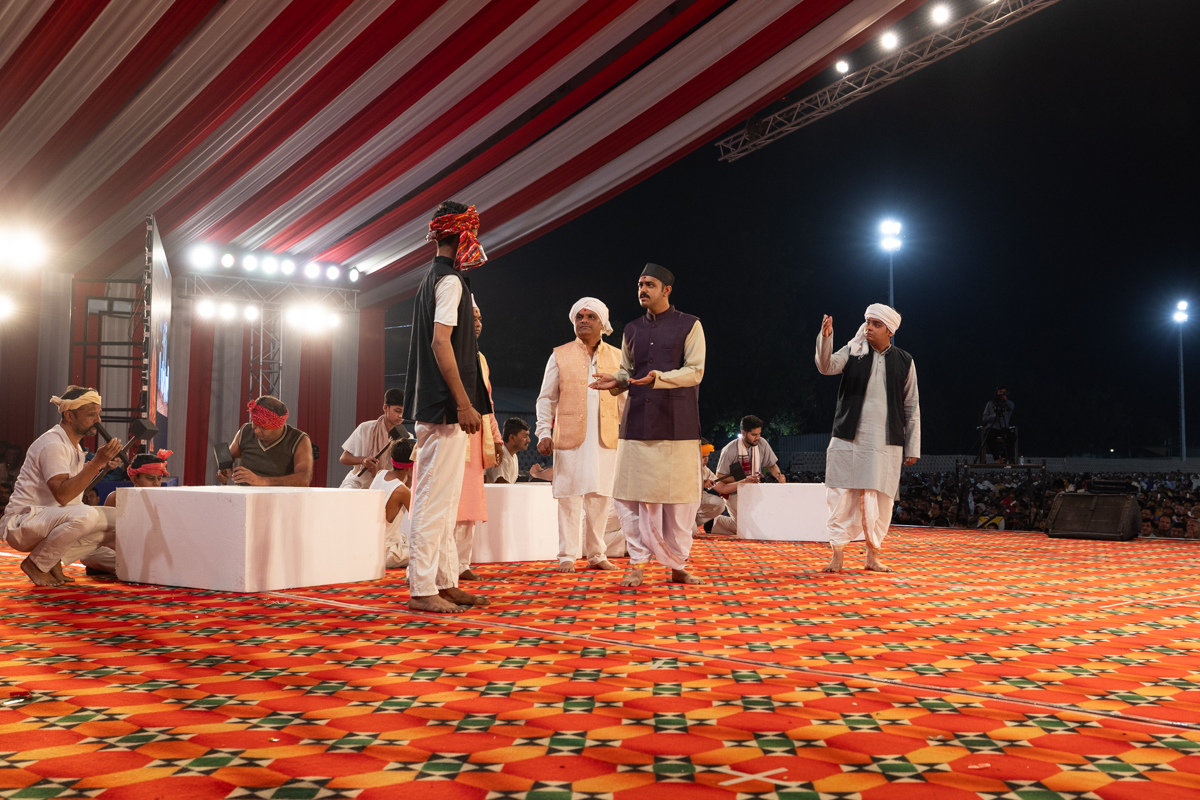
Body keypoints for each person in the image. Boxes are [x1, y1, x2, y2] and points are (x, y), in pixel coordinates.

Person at [402, 201, 493, 613]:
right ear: (462, 235)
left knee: (444, 500)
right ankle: (423, 588)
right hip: (444, 408)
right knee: (433, 502)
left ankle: (445, 580)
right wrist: (464, 402)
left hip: (438, 407)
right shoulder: (450, 281)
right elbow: (441, 343)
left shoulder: (433, 277)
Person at [591, 264, 706, 587]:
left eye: (650, 285)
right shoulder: (631, 329)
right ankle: (637, 564)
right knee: (631, 497)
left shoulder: (690, 325)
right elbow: (628, 372)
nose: (642, 290)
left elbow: (695, 371)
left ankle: (677, 565)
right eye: (640, 285)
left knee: (680, 501)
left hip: (678, 424)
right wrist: (617, 380)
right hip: (637, 423)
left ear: (667, 290)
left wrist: (660, 378)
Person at [815, 304, 921, 573]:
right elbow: (826, 367)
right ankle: (837, 555)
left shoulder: (905, 360)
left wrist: (913, 446)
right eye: (868, 322)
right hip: (847, 438)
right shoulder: (853, 350)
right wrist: (826, 338)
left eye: (876, 324)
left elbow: (911, 405)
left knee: (882, 500)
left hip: (886, 442)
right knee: (840, 496)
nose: (869, 328)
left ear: (890, 331)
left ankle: (872, 556)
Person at [536, 297, 625, 573]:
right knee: (570, 497)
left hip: (606, 437)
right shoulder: (559, 354)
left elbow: (626, 402)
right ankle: (567, 555)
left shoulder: (618, 357)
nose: (584, 321)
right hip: (570, 438)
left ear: (602, 323)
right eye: (579, 317)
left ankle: (597, 554)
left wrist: (631, 436)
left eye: (590, 317)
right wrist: (543, 432)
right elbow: (546, 398)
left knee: (601, 497)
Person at [0, 386, 122, 586]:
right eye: (91, 415)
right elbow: (63, 495)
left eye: (98, 414)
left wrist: (102, 465)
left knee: (120, 520)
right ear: (69, 416)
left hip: (49, 519)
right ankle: (36, 564)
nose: (98, 420)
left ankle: (52, 560)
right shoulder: (54, 444)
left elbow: (72, 490)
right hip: (24, 522)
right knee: (86, 515)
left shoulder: (73, 445)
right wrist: (96, 463)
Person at [452, 302, 503, 583]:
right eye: (471, 318)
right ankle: (436, 565)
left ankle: (461, 564)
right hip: (449, 434)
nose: (478, 323)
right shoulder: (445, 351)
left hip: (475, 437)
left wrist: (496, 438)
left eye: (480, 318)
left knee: (469, 506)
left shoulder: (480, 358)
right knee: (446, 504)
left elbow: (487, 404)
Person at [713, 415, 787, 534]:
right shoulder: (729, 450)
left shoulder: (762, 443)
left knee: (759, 522)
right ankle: (713, 522)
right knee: (744, 526)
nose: (757, 438)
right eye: (754, 435)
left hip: (755, 489)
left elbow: (772, 465)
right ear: (743, 433)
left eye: (759, 434)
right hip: (734, 491)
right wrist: (743, 480)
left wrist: (778, 475)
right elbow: (720, 476)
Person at [217, 396, 313, 486]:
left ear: (278, 426)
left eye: (264, 427)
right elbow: (227, 454)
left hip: (278, 497)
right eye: (255, 424)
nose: (257, 431)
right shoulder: (246, 430)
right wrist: (225, 469)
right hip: (244, 496)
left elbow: (304, 479)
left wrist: (261, 481)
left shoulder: (299, 440)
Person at [338, 389, 411, 489]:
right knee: (348, 490)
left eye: (404, 412)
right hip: (359, 482)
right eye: (397, 411)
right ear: (385, 407)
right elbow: (344, 458)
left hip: (388, 485)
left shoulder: (407, 438)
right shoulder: (365, 428)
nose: (401, 416)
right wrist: (362, 460)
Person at [370, 439, 416, 568]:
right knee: (429, 552)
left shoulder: (380, 474)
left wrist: (410, 479)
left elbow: (397, 494)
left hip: (371, 545)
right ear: (411, 466)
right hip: (386, 552)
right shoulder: (402, 491)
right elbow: (418, 519)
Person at [104, 449, 172, 507]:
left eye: (159, 479)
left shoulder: (164, 501)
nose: (156, 483)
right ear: (135, 480)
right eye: (150, 478)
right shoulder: (117, 498)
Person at [697, 441, 738, 533]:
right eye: (703, 457)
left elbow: (723, 488)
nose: (706, 460)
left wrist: (744, 481)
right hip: (682, 501)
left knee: (719, 503)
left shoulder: (705, 470)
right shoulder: (684, 467)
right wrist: (702, 483)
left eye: (707, 456)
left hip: (696, 499)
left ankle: (693, 522)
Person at [486, 418, 530, 484]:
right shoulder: (501, 455)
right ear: (512, 437)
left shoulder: (513, 455)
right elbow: (501, 484)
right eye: (525, 436)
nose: (529, 440)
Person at [982, 386, 1015, 463]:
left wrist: (1005, 400)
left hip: (1004, 428)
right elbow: (984, 418)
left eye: (1004, 393)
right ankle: (996, 458)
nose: (1002, 394)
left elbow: (1012, 406)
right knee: (989, 437)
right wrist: (994, 416)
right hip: (993, 428)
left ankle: (1003, 457)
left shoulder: (1009, 405)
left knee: (1012, 437)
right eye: (1000, 392)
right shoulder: (990, 404)